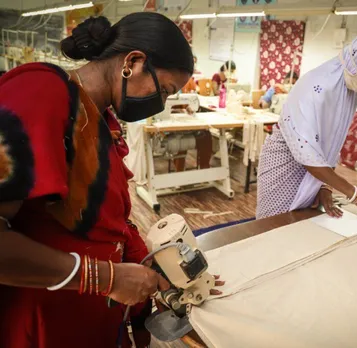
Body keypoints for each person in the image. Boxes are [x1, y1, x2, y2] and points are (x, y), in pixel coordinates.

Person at [0, 13, 222, 348]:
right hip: (45, 320)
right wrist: (106, 276)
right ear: (133, 62)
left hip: (88, 310)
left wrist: (160, 270)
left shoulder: (99, 118)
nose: (159, 104)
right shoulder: (40, 92)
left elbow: (108, 221)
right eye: (162, 90)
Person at [256, 30, 357, 219]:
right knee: (272, 227)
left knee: (297, 227)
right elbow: (307, 153)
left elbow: (331, 144)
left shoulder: (347, 89)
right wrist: (355, 195)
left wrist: (324, 186)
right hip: (285, 167)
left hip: (315, 171)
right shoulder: (318, 86)